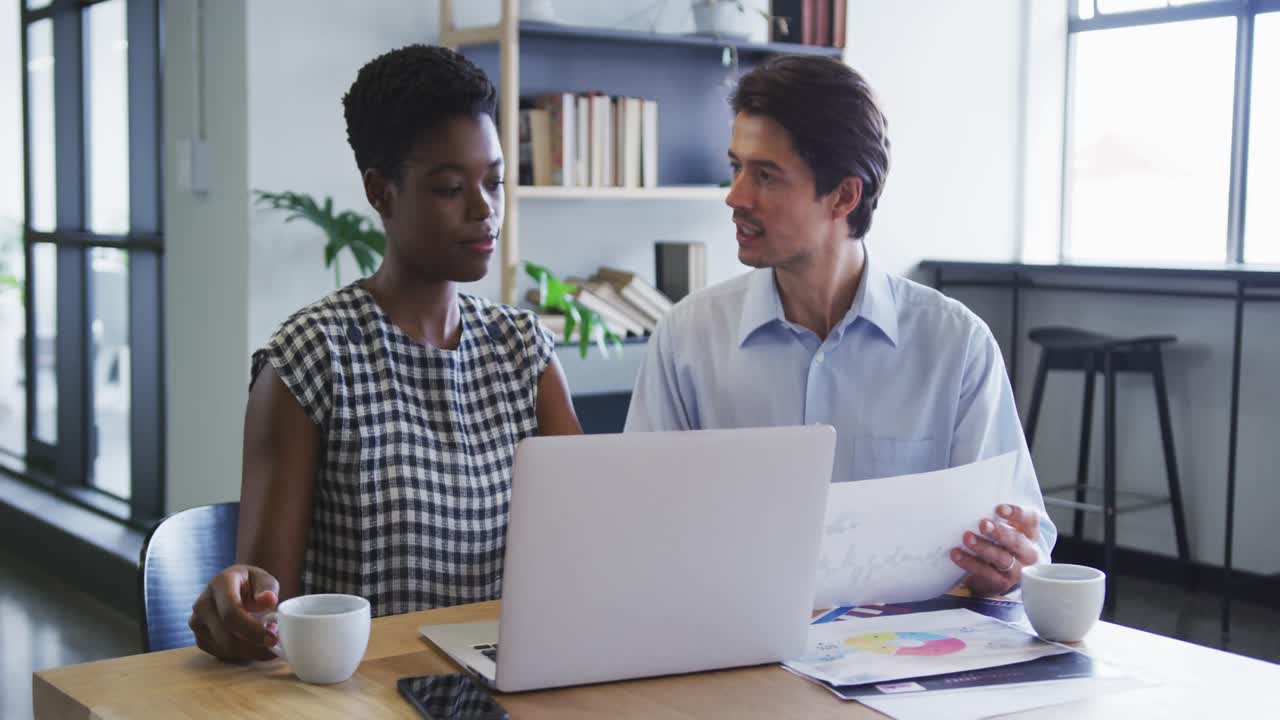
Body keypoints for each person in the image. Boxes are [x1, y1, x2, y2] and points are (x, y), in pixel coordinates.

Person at [189, 45, 582, 661]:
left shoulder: (524, 352)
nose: (485, 209)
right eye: (452, 187)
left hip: (518, 685)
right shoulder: (311, 359)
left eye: (495, 181)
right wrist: (239, 606)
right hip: (369, 697)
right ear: (382, 192)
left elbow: (590, 546)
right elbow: (266, 611)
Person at [625, 55, 1056, 597]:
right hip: (730, 648)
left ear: (844, 196)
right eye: (735, 167)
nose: (734, 196)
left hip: (906, 657)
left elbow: (1026, 541)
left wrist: (1010, 562)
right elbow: (638, 526)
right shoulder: (687, 338)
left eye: (765, 175)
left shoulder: (956, 345)